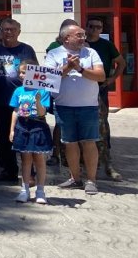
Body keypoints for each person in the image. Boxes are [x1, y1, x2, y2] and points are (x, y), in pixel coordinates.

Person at [45, 24, 105, 195]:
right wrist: (68, 67)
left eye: (83, 35)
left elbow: (101, 76)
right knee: (70, 144)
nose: (82, 38)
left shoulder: (90, 53)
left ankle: (91, 180)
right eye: (78, 35)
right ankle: (75, 178)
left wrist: (79, 68)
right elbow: (49, 78)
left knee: (89, 142)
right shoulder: (54, 54)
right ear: (66, 38)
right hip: (64, 106)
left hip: (88, 106)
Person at [0, 18, 38, 183]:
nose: (8, 32)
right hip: (0, 102)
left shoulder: (26, 50)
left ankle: (29, 174)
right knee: (4, 138)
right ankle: (9, 172)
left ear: (18, 31)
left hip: (23, 102)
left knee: (25, 135)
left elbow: (35, 74)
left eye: (12, 29)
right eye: (5, 30)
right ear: (1, 32)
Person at [85, 16, 126, 181]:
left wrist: (112, 79)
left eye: (99, 27)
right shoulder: (81, 44)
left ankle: (107, 164)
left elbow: (121, 62)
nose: (95, 30)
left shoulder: (106, 45)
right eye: (92, 26)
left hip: (99, 90)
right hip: (81, 91)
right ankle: (82, 165)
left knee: (102, 127)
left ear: (102, 30)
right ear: (86, 27)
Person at [9, 60, 53, 204]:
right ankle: (24, 190)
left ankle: (40, 191)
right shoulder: (18, 91)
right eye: (20, 72)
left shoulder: (43, 90)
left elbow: (42, 112)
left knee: (39, 160)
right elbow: (15, 111)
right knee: (25, 160)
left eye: (24, 72)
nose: (21, 75)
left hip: (38, 126)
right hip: (22, 126)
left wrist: (39, 100)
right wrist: (12, 130)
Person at [45, 18, 78, 166]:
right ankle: (56, 153)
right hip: (60, 92)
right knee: (60, 124)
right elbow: (50, 73)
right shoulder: (54, 48)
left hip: (79, 95)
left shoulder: (84, 48)